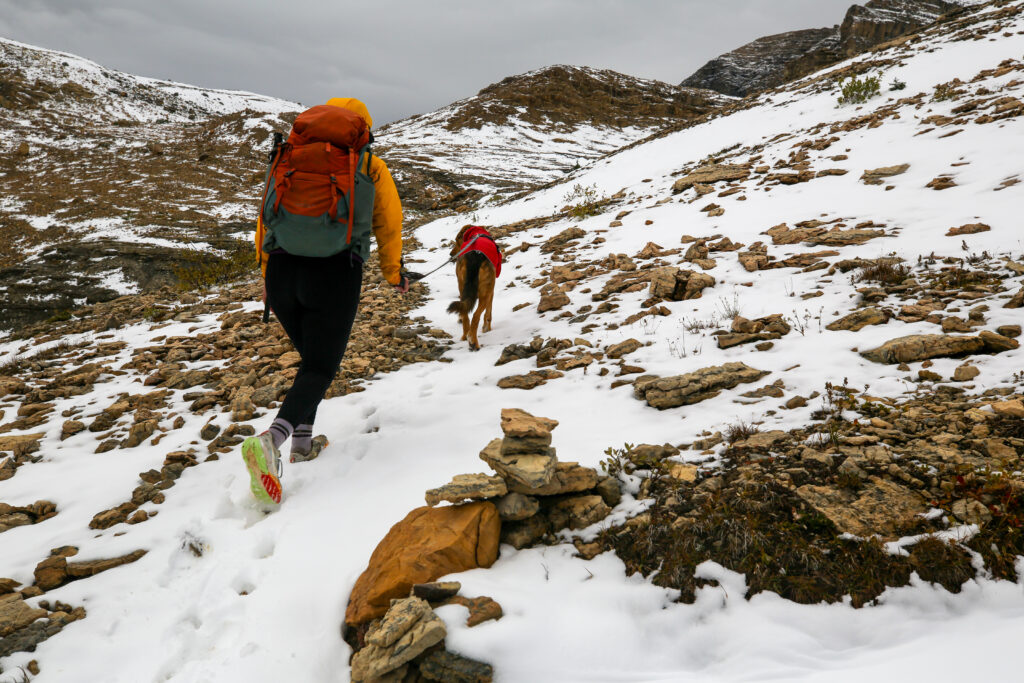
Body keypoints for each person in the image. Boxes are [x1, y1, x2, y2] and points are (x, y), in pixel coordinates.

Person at [241, 97, 409, 504]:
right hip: (334, 273)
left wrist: (266, 274)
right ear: (361, 129)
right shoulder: (369, 165)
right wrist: (394, 273)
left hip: (282, 271)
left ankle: (302, 445)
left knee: (310, 361)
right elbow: (389, 223)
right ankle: (272, 441)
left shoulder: (287, 158)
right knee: (320, 366)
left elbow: (265, 216)